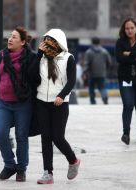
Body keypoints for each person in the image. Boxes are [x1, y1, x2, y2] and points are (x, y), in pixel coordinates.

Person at [0, 26, 38, 182]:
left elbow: (35, 79)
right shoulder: (0, 56)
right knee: (0, 133)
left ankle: (21, 169)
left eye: (14, 37)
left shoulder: (31, 57)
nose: (10, 39)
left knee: (21, 137)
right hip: (3, 103)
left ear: (23, 42)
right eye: (9, 36)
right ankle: (10, 165)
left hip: (23, 104)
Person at [35, 29, 80, 184]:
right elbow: (33, 74)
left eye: (50, 40)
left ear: (58, 42)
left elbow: (72, 81)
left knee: (58, 137)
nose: (46, 43)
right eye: (45, 40)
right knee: (45, 137)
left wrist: (62, 95)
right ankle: (48, 173)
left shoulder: (68, 58)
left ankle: (73, 160)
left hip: (59, 103)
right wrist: (38, 54)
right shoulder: (41, 58)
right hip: (41, 102)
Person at [115, 18, 136, 145]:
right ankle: (126, 134)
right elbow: (119, 58)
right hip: (125, 78)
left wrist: (128, 54)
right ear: (124, 30)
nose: (129, 30)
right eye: (127, 28)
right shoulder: (120, 42)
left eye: (132, 28)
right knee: (128, 105)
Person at [84, 37, 111, 104]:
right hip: (102, 73)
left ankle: (93, 101)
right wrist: (105, 69)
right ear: (99, 42)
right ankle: (104, 96)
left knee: (91, 88)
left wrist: (85, 72)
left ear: (92, 43)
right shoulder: (105, 51)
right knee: (102, 87)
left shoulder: (89, 52)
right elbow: (109, 62)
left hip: (91, 73)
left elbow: (86, 63)